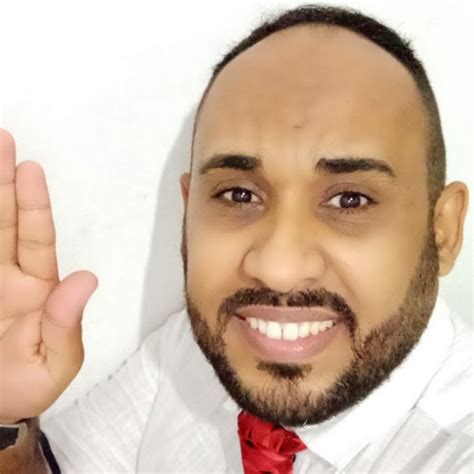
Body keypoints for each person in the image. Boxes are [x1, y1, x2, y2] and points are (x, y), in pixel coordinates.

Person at [0, 4, 471, 473]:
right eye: (239, 194)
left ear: (443, 232)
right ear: (189, 212)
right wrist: (6, 420)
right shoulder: (198, 347)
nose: (278, 270)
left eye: (350, 200)